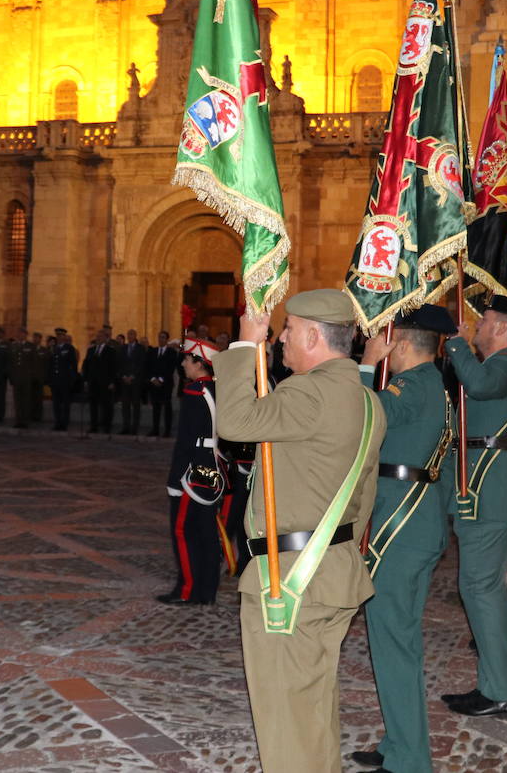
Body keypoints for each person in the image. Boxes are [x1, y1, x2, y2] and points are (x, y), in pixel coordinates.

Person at [213, 289, 385, 773]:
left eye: (287, 329)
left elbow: (235, 421)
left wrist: (246, 346)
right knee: (310, 709)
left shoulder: (309, 392)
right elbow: (365, 495)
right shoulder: (369, 402)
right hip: (335, 571)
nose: (279, 337)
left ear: (313, 335)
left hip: (291, 580)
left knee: (286, 719)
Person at [349, 305, 456, 773]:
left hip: (401, 525)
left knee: (394, 641)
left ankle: (410, 758)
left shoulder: (412, 387)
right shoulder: (436, 385)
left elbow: (358, 417)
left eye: (386, 338)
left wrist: (368, 365)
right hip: (417, 519)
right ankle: (399, 743)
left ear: (401, 343)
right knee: (396, 639)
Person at [439, 294, 507, 720]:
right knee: (482, 590)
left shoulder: (506, 365)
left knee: (481, 590)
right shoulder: (505, 365)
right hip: (485, 486)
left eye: (483, 322)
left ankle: (500, 691)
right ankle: (497, 686)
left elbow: (478, 386)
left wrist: (456, 345)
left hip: (486, 488)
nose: (475, 326)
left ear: (500, 328)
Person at [159, 337, 224, 606]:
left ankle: (187, 589)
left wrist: (175, 479)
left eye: (187, 359)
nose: (183, 363)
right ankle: (207, 589)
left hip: (192, 470)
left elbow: (185, 442)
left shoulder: (194, 392)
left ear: (199, 363)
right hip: (213, 464)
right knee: (207, 530)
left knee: (183, 530)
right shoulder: (218, 389)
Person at [147, 331, 182, 436]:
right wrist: (153, 379)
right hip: (154, 383)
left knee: (167, 407)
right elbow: (149, 366)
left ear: (166, 339)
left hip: (166, 383)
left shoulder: (171, 352)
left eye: (163, 338)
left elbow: (170, 368)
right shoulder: (153, 351)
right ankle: (155, 429)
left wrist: (161, 380)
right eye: (159, 337)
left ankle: (167, 430)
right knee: (156, 407)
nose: (160, 339)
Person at [83, 329, 116, 433]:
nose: (98, 338)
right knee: (93, 405)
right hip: (93, 382)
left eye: (100, 337)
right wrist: (86, 380)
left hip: (105, 383)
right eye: (97, 336)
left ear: (106, 338)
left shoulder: (111, 351)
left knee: (107, 405)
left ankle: (107, 426)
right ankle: (94, 426)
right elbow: (86, 366)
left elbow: (113, 367)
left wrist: (112, 381)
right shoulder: (91, 350)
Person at [116, 328, 148, 435]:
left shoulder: (140, 349)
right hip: (125, 381)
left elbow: (141, 364)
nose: (130, 336)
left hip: (135, 381)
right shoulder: (123, 348)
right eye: (128, 334)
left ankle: (134, 427)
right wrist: (124, 376)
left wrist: (132, 376)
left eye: (132, 334)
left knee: (135, 405)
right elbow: (120, 363)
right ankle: (126, 426)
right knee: (125, 405)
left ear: (135, 336)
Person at [47, 328, 78, 430]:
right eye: (57, 336)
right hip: (55, 381)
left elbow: (73, 366)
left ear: (64, 337)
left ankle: (64, 423)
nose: (59, 337)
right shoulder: (53, 348)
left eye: (61, 335)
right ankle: (57, 422)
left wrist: (72, 380)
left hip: (65, 381)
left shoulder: (69, 348)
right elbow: (51, 365)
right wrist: (50, 380)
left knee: (65, 403)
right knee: (56, 404)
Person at [8, 328, 38, 428]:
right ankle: (18, 420)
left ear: (25, 335)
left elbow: (34, 363)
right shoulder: (13, 346)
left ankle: (25, 421)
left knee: (26, 400)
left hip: (26, 378)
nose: (19, 335)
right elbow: (11, 363)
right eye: (18, 333)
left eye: (21, 334)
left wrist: (32, 376)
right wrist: (11, 376)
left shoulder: (31, 346)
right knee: (17, 400)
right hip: (16, 377)